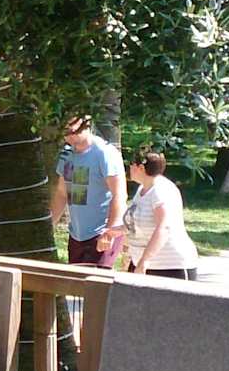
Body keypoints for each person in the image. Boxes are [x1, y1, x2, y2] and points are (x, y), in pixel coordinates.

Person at [50, 114, 125, 267]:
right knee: (75, 281)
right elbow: (62, 193)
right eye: (65, 132)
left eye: (73, 131)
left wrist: (109, 232)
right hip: (77, 235)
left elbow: (119, 195)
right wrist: (50, 224)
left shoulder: (104, 153)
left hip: (101, 234)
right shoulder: (67, 154)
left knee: (96, 280)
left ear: (87, 125)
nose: (69, 136)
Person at [125, 151, 200, 279]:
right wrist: (112, 233)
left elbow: (163, 228)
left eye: (131, 164)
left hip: (171, 267)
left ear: (141, 168)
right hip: (141, 263)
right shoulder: (142, 189)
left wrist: (144, 261)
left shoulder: (161, 190)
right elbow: (135, 223)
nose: (129, 168)